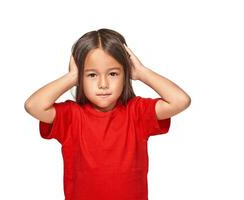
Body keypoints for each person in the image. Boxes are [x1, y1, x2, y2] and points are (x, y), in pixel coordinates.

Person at [24, 28, 191, 200]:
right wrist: (72, 76)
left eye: (112, 74)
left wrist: (141, 72)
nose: (103, 84)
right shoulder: (71, 116)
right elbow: (33, 106)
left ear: (125, 74)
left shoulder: (137, 112)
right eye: (91, 75)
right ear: (80, 77)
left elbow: (180, 101)